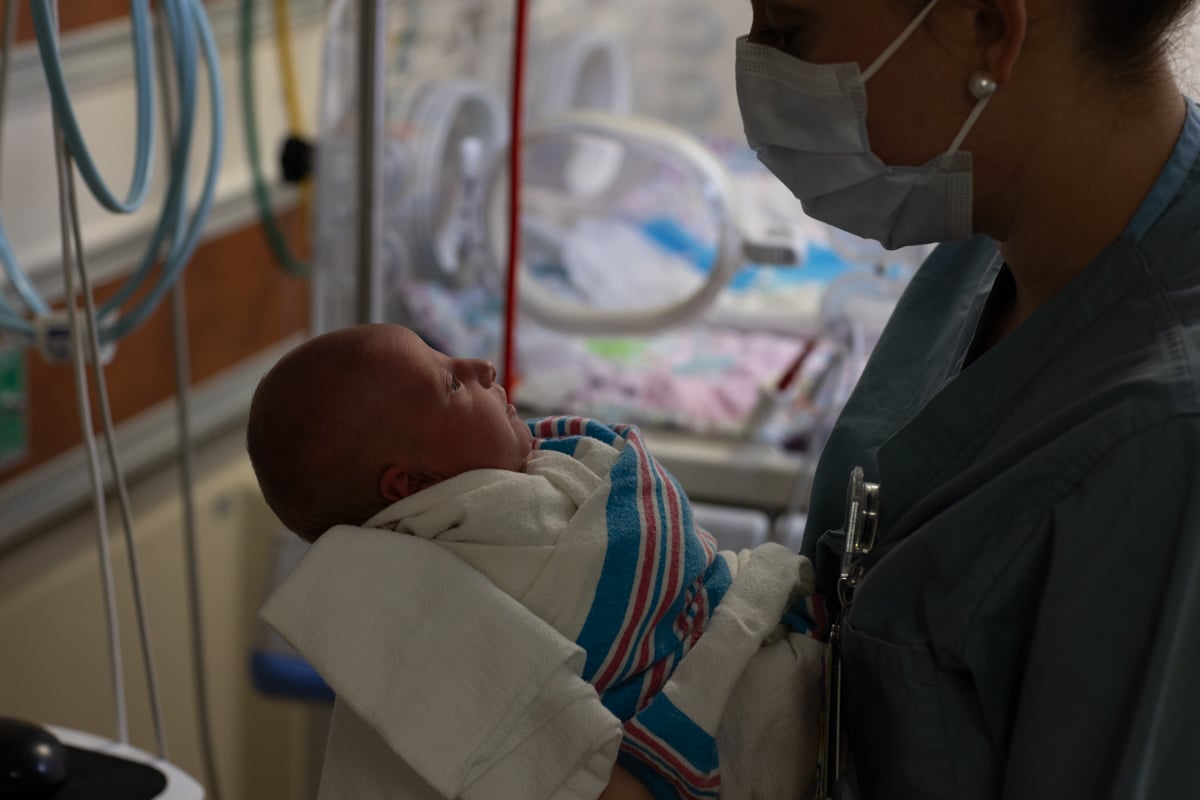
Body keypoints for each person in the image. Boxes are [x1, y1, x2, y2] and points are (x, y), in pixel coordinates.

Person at [724, 0, 1200, 798]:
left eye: (789, 30)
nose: (756, 65)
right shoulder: (986, 249)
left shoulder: (1163, 441)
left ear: (987, 25)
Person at [247, 324, 824, 800]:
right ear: (412, 483)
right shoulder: (434, 571)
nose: (482, 366)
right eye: (450, 382)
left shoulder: (537, 466)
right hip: (687, 725)